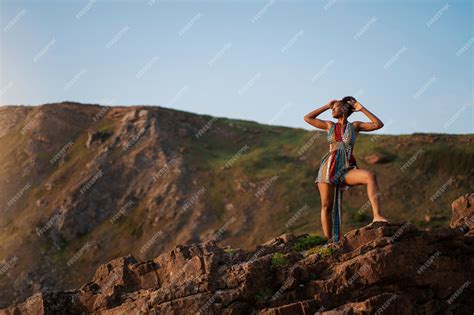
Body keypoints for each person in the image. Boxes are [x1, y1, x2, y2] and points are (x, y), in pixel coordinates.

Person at [304, 97, 389, 243]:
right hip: (327, 169)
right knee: (326, 206)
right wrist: (326, 105)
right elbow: (307, 118)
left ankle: (377, 216)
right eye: (332, 108)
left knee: (369, 176)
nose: (333, 109)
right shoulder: (329, 125)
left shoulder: (355, 126)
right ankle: (329, 240)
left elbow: (378, 124)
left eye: (336, 107)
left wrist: (361, 108)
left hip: (346, 169)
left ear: (344, 109)